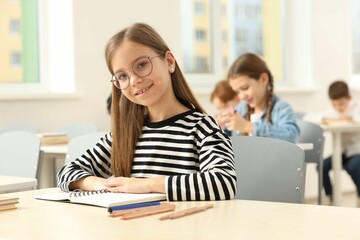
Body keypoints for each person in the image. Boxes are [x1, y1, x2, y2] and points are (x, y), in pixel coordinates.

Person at [57, 23, 236, 201]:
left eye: (141, 65)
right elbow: (66, 173)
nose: (134, 80)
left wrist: (143, 185)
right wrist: (103, 186)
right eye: (122, 76)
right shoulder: (125, 134)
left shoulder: (202, 127)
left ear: (169, 62)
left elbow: (224, 182)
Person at [221, 52, 300, 143]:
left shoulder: (281, 108)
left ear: (263, 79)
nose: (242, 96)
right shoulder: (241, 109)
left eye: (245, 88)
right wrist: (219, 127)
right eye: (237, 92)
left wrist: (247, 126)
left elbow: (292, 136)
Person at [320, 80, 360, 206]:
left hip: (356, 151)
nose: (338, 107)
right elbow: (319, 116)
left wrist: (352, 118)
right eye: (334, 105)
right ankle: (331, 196)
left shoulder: (357, 107)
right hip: (341, 152)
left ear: (349, 97)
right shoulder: (334, 111)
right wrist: (326, 118)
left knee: (353, 167)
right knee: (322, 166)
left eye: (341, 104)